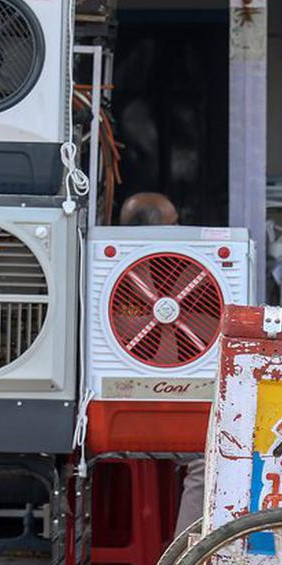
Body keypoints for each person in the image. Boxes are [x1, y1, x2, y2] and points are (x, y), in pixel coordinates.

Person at [117, 193, 206, 536]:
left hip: (141, 405)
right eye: (174, 224)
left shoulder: (122, 270)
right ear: (156, 233)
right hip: (134, 411)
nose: (181, 229)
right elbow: (162, 360)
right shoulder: (136, 282)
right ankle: (184, 564)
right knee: (208, 457)